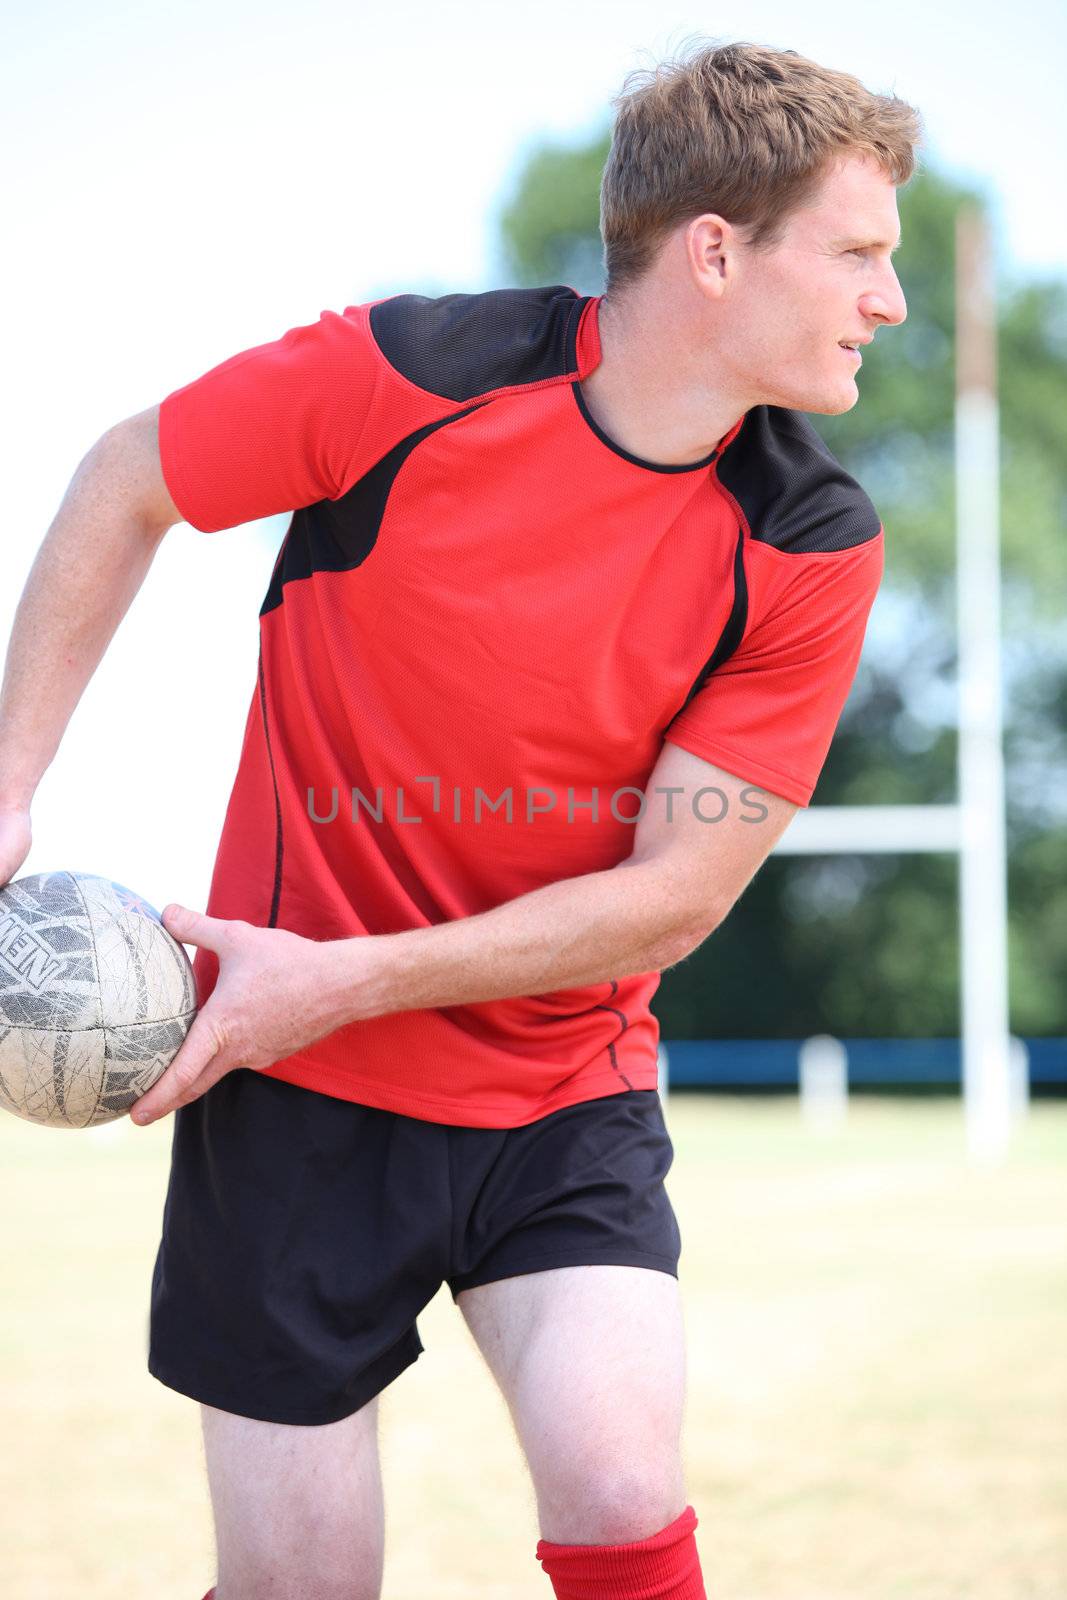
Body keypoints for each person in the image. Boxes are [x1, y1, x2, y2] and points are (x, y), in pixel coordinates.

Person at [0, 35, 920, 1600]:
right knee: (305, 1584)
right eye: (857, 253)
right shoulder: (406, 376)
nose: (886, 300)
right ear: (716, 251)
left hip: (562, 1085)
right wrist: (10, 782)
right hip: (284, 1081)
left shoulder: (807, 537)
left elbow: (671, 899)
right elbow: (126, 477)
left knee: (625, 1492)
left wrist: (344, 974)